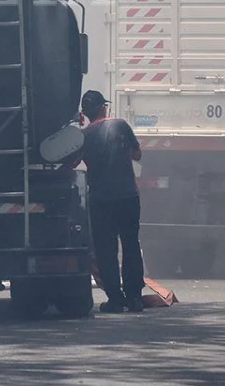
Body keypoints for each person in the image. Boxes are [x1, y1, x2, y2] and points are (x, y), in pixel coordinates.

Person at [73, 89, 145, 314]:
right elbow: (137, 154)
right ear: (104, 107)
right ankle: (134, 298)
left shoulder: (83, 137)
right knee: (131, 244)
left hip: (101, 199)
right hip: (127, 196)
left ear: (85, 114)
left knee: (106, 248)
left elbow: (73, 162)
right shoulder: (121, 125)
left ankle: (115, 298)